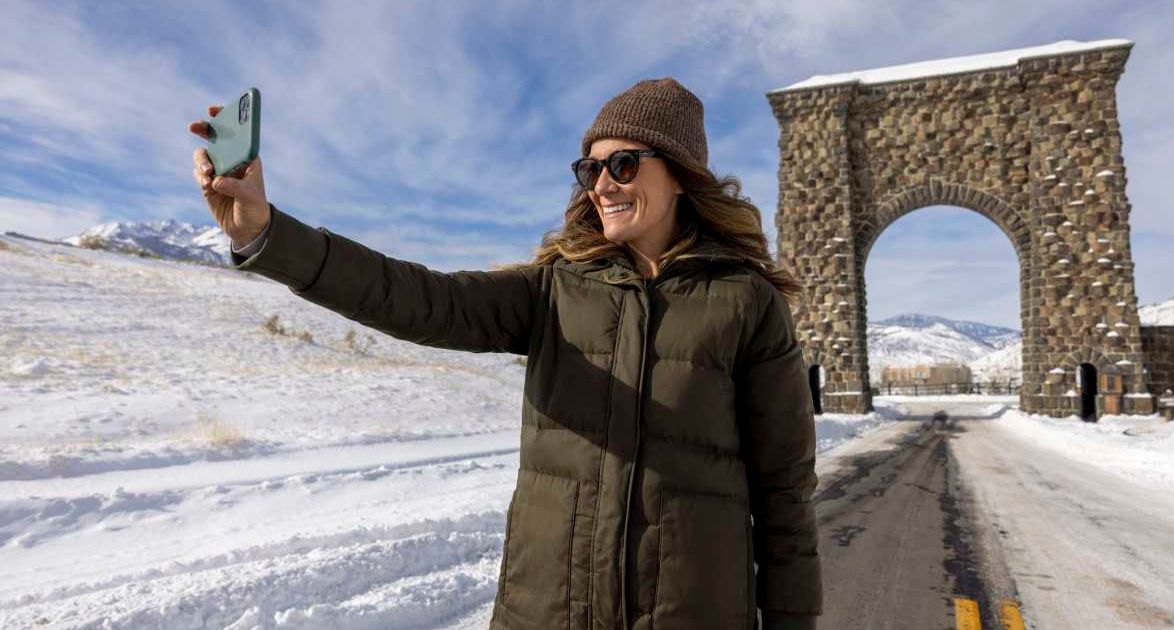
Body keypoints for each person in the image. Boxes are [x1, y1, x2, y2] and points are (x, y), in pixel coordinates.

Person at [189, 77, 821, 630]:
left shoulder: (746, 303)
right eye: (588, 168)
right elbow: (415, 298)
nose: (601, 183)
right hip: (546, 611)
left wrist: (792, 619)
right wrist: (268, 233)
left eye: (622, 164)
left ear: (680, 174)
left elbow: (784, 488)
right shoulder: (552, 289)